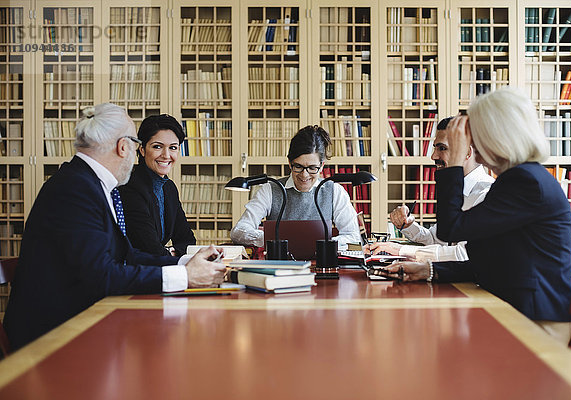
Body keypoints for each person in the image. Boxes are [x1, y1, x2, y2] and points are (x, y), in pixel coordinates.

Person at [3, 104, 226, 351]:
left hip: (83, 319)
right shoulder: (75, 189)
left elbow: (125, 254)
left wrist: (185, 264)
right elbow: (101, 276)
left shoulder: (89, 183)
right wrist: (185, 276)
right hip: (54, 335)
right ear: (124, 146)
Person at [384, 88, 571, 341]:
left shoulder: (525, 181)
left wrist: (454, 163)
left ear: (497, 136)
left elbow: (451, 229)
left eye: (475, 136)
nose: (471, 145)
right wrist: (429, 270)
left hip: (536, 320)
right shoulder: (515, 179)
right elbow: (489, 261)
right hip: (516, 307)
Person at [367, 117, 495, 262]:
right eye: (435, 148)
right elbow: (437, 240)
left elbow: (463, 254)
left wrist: (401, 250)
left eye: (442, 148)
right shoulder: (453, 187)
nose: (433, 156)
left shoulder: (487, 194)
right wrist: (408, 225)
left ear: (467, 153)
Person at [230, 125, 361, 248]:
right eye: (298, 166)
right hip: (281, 266)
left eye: (312, 168)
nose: (304, 175)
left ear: (322, 166)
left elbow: (354, 237)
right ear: (289, 163)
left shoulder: (334, 191)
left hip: (322, 265)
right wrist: (270, 238)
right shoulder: (271, 190)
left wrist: (325, 244)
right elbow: (238, 231)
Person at [119, 114, 195, 257]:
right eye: (157, 147)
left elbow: (188, 241)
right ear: (142, 149)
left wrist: (171, 251)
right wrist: (173, 253)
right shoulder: (130, 187)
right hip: (137, 272)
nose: (166, 155)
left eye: (173, 148)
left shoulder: (169, 188)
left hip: (160, 267)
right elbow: (149, 249)